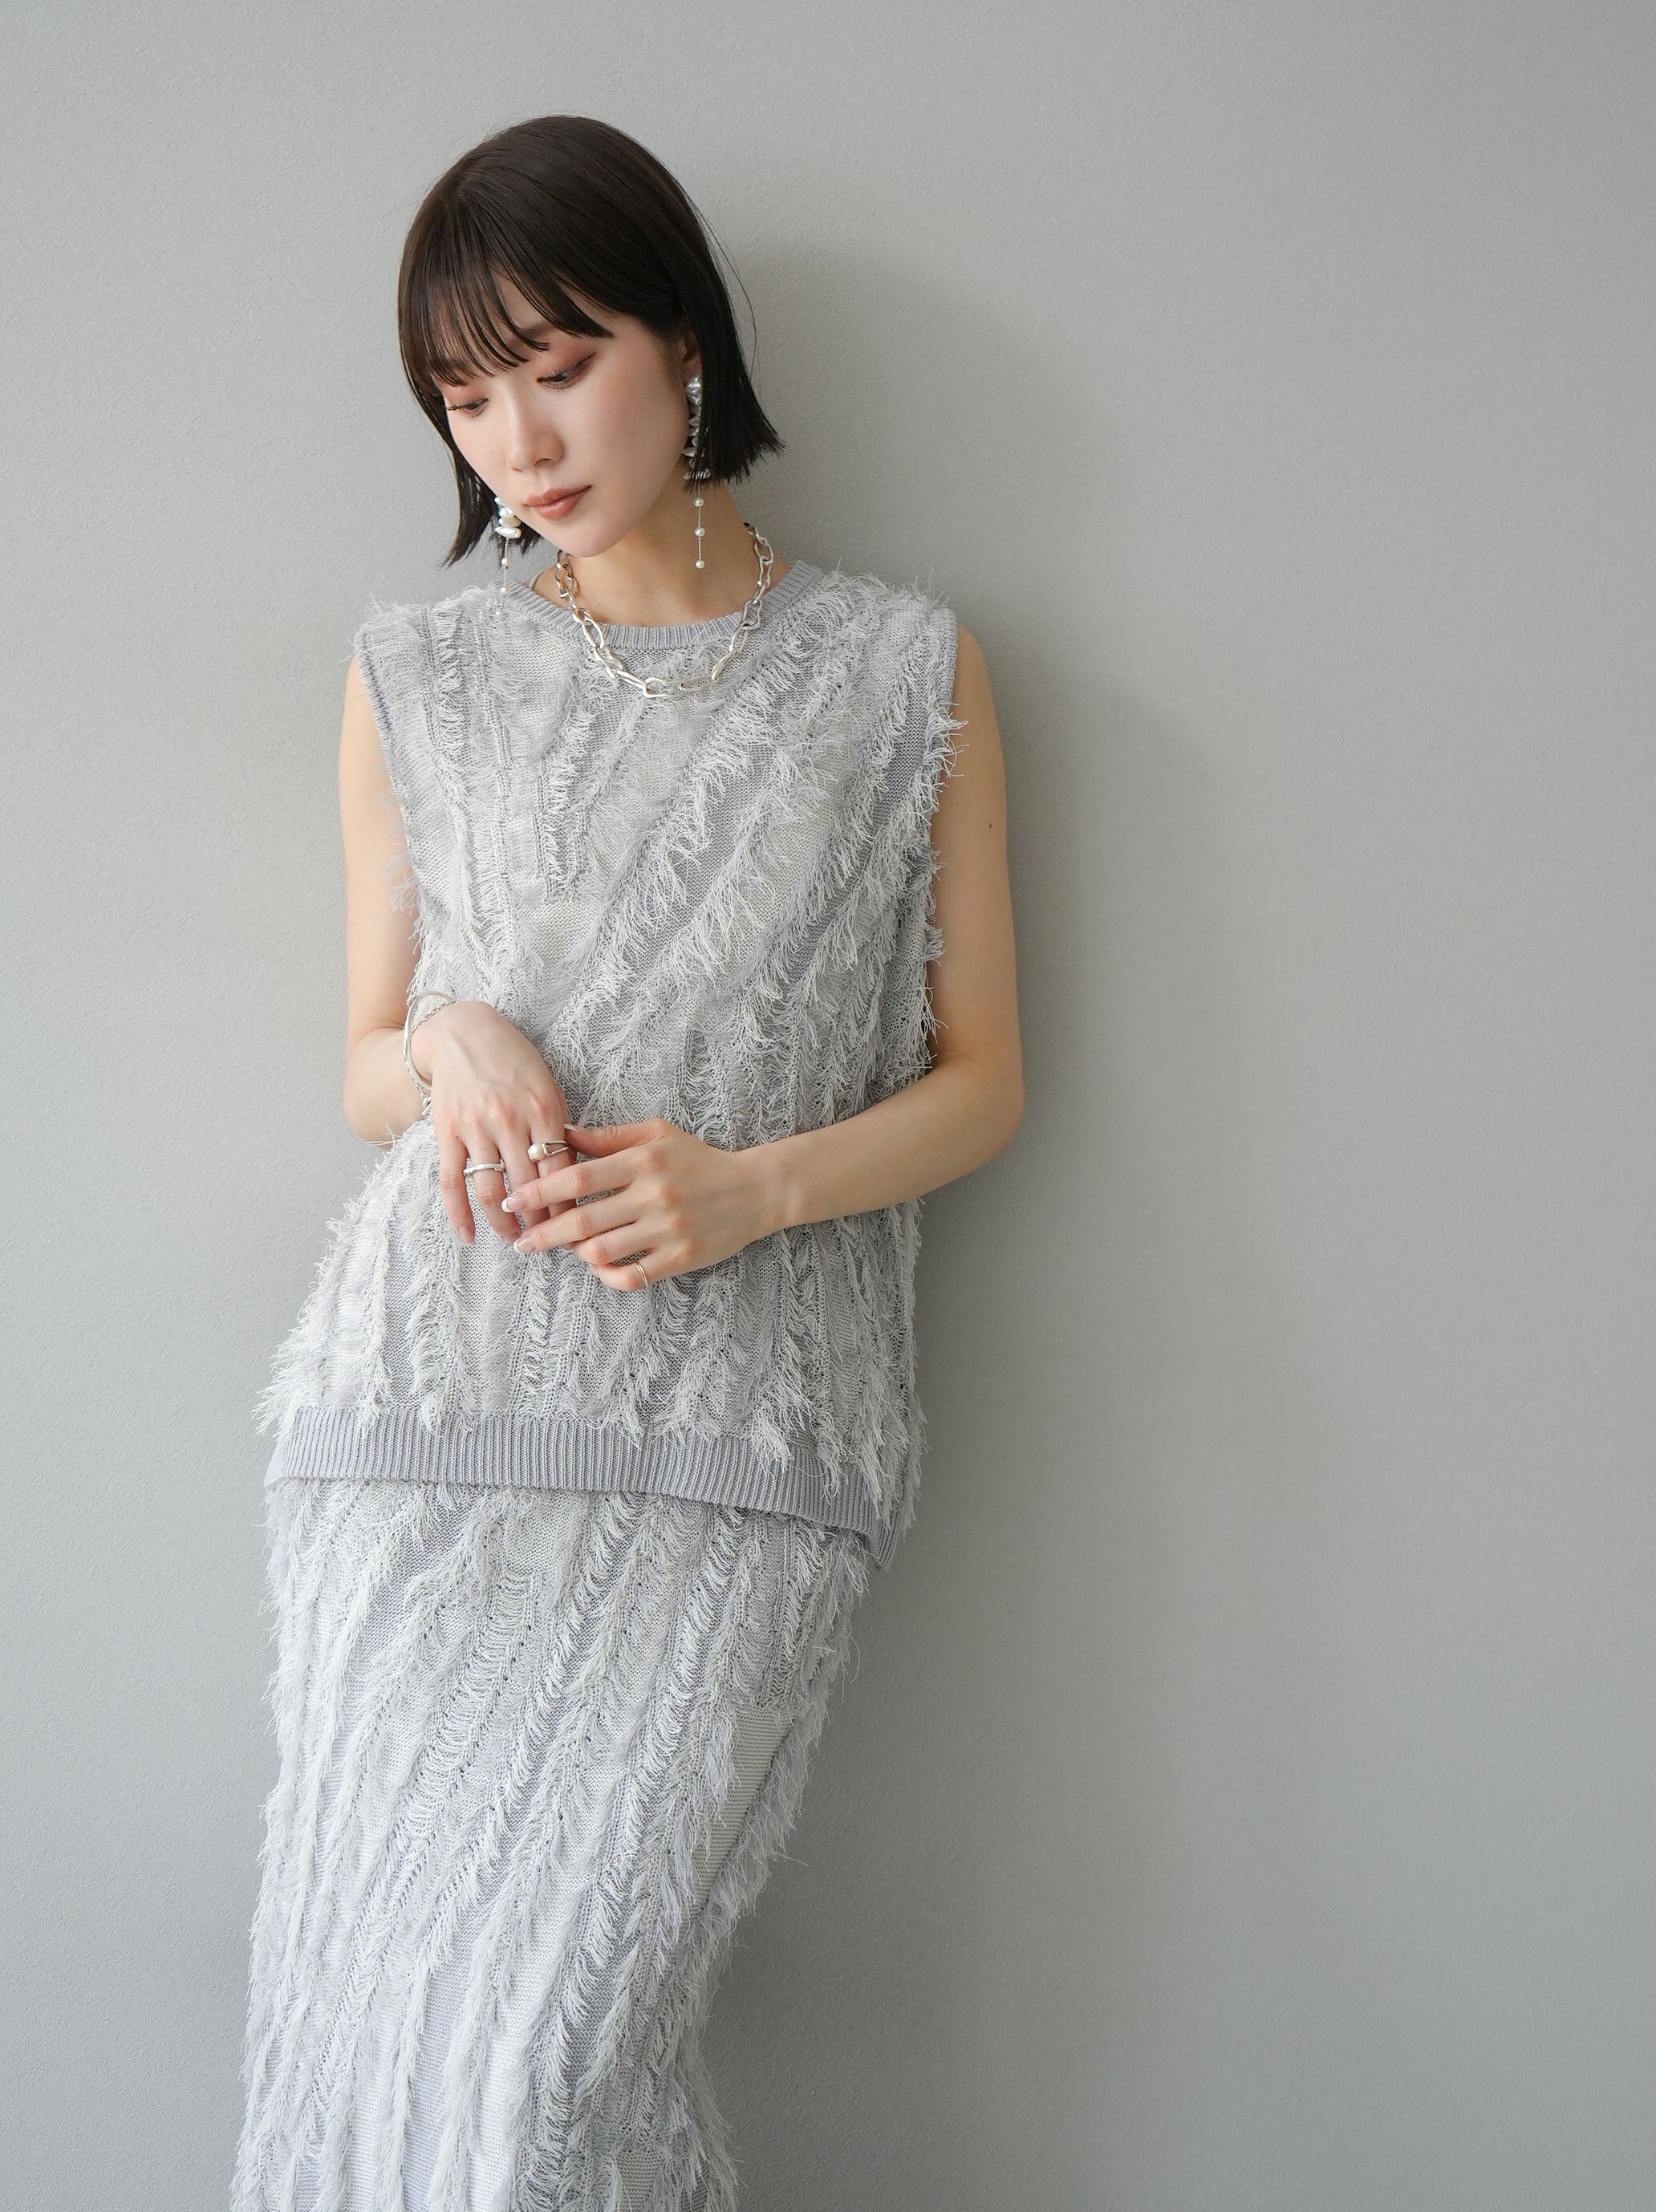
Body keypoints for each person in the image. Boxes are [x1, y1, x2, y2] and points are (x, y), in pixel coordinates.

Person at [230, 113, 1022, 2212]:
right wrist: (451, 1042)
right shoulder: (417, 674)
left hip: (742, 1452)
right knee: (378, 2066)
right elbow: (367, 1068)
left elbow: (985, 1084)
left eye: (558, 365)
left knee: (550, 2073)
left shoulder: (905, 671)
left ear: (683, 339)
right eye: (464, 395)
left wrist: (752, 1189)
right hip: (420, 1434)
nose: (518, 438)